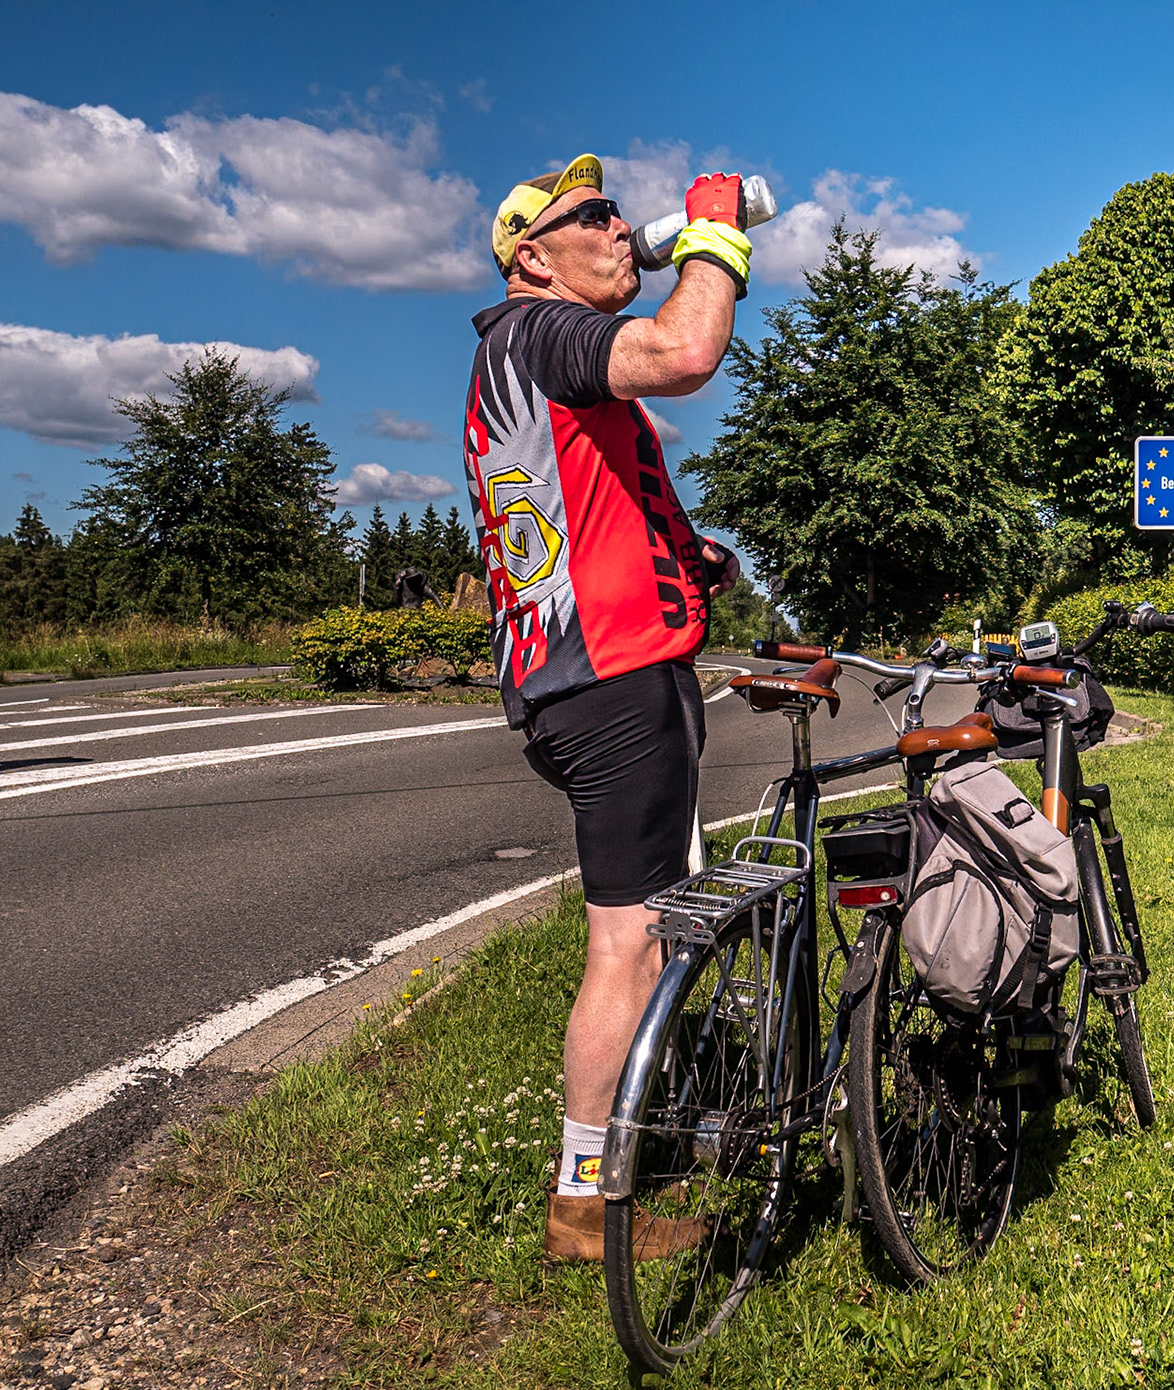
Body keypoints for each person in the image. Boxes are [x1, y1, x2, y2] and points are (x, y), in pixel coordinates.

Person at [463, 154, 752, 1262]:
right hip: (614, 683)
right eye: (594, 215)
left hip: (573, 679)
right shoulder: (542, 332)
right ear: (533, 257)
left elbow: (585, 505)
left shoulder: (519, 364)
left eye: (622, 209)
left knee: (649, 923)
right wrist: (716, 235)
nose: (624, 225)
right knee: (628, 943)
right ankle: (584, 1201)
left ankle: (640, 1128)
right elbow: (684, 350)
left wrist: (692, 556)